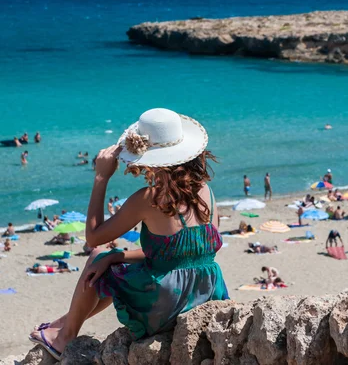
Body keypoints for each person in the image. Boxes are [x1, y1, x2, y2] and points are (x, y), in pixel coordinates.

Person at [28, 108, 229, 359]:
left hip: (169, 303)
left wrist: (101, 178)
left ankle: (65, 337)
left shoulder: (148, 199)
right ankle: (63, 323)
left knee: (97, 256)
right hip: (208, 291)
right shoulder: (205, 192)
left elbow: (92, 237)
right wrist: (118, 256)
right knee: (108, 258)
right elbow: (178, 254)